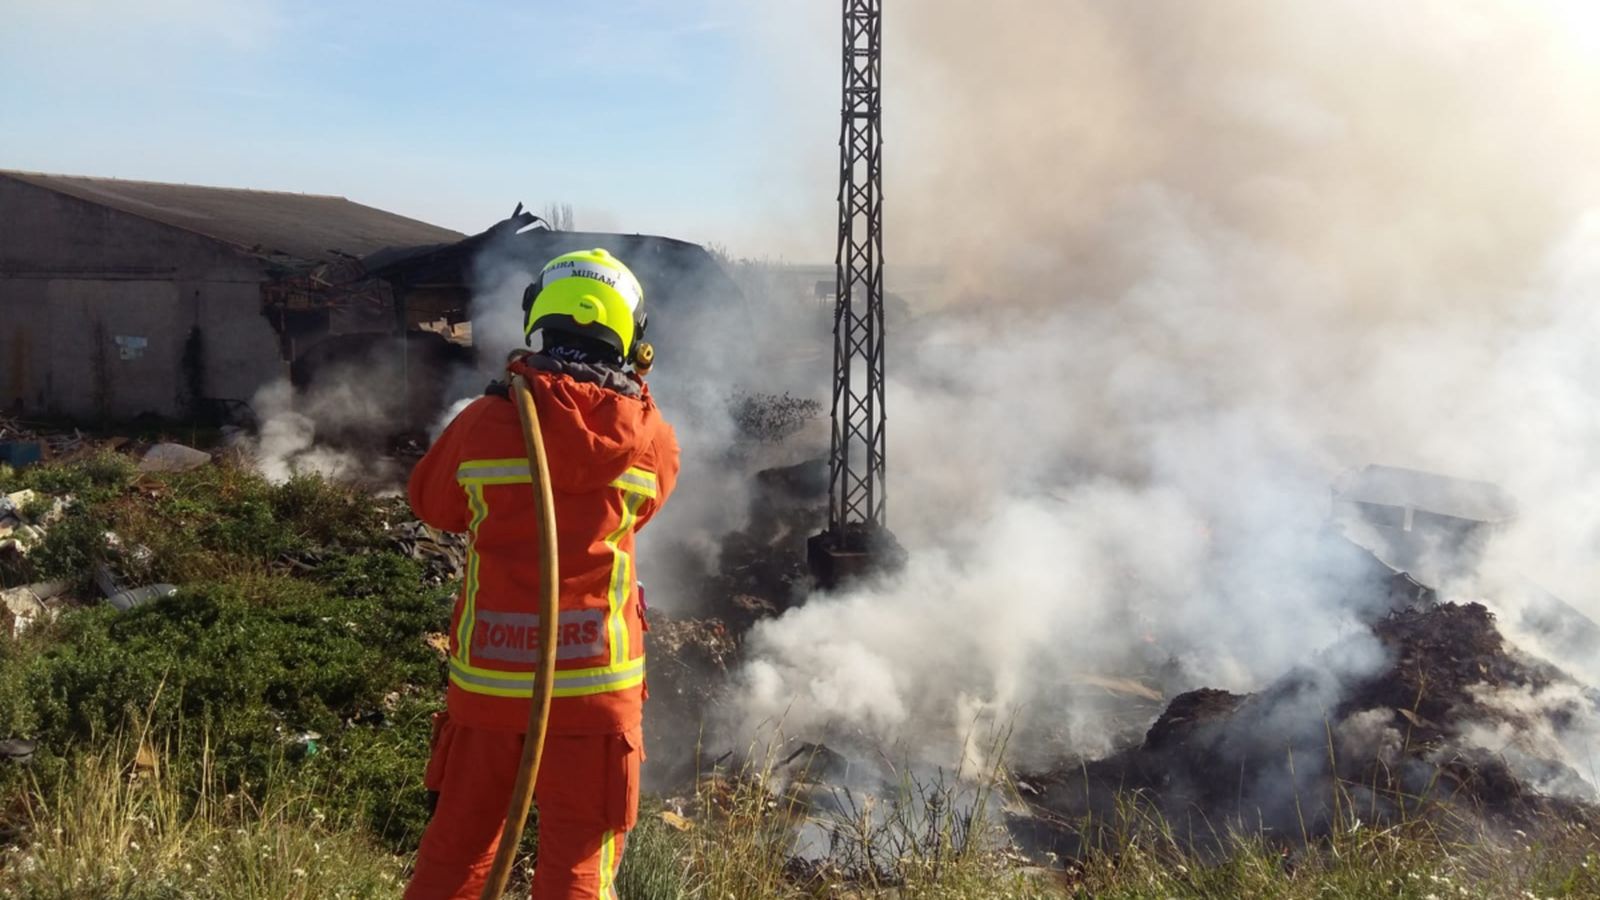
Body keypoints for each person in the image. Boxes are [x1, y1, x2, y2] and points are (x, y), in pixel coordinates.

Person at [404, 248, 679, 899]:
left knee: (458, 853)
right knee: (579, 868)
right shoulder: (651, 439)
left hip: (492, 688)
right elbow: (637, 517)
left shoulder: (481, 426)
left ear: (538, 319)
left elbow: (432, 505)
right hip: (595, 691)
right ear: (633, 339)